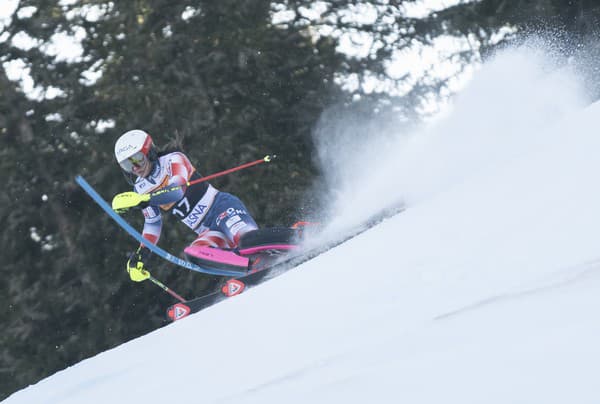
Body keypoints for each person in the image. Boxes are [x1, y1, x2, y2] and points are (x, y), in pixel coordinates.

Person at [114, 129, 259, 282]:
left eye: (137, 159)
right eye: (127, 164)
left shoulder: (174, 160)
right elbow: (153, 222)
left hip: (221, 209)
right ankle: (251, 269)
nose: (135, 168)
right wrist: (142, 253)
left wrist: (144, 200)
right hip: (207, 230)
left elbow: (177, 191)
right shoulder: (140, 188)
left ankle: (270, 248)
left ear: (149, 152)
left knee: (245, 239)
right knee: (195, 253)